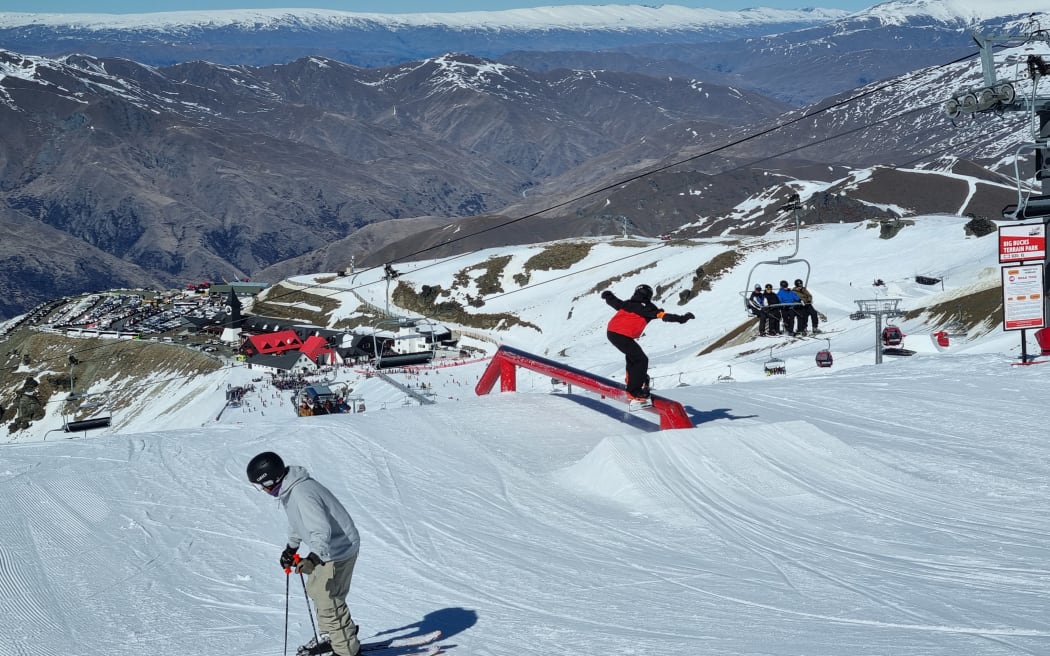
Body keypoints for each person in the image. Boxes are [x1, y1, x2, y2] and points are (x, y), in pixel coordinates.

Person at [247, 452, 362, 656]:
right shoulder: (290, 489)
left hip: (337, 550)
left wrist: (313, 558)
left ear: (271, 480)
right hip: (327, 549)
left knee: (329, 601)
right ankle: (331, 635)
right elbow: (298, 521)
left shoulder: (301, 493)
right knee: (317, 590)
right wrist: (291, 548)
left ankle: (346, 650)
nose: (262, 490)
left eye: (261, 485)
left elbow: (321, 530)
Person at [601, 284, 694, 401]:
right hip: (621, 335)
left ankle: (632, 381)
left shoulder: (628, 303)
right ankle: (634, 391)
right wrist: (683, 318)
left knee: (633, 357)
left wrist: (607, 295)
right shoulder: (649, 308)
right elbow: (665, 317)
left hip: (612, 333)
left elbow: (614, 302)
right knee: (641, 360)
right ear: (649, 295)